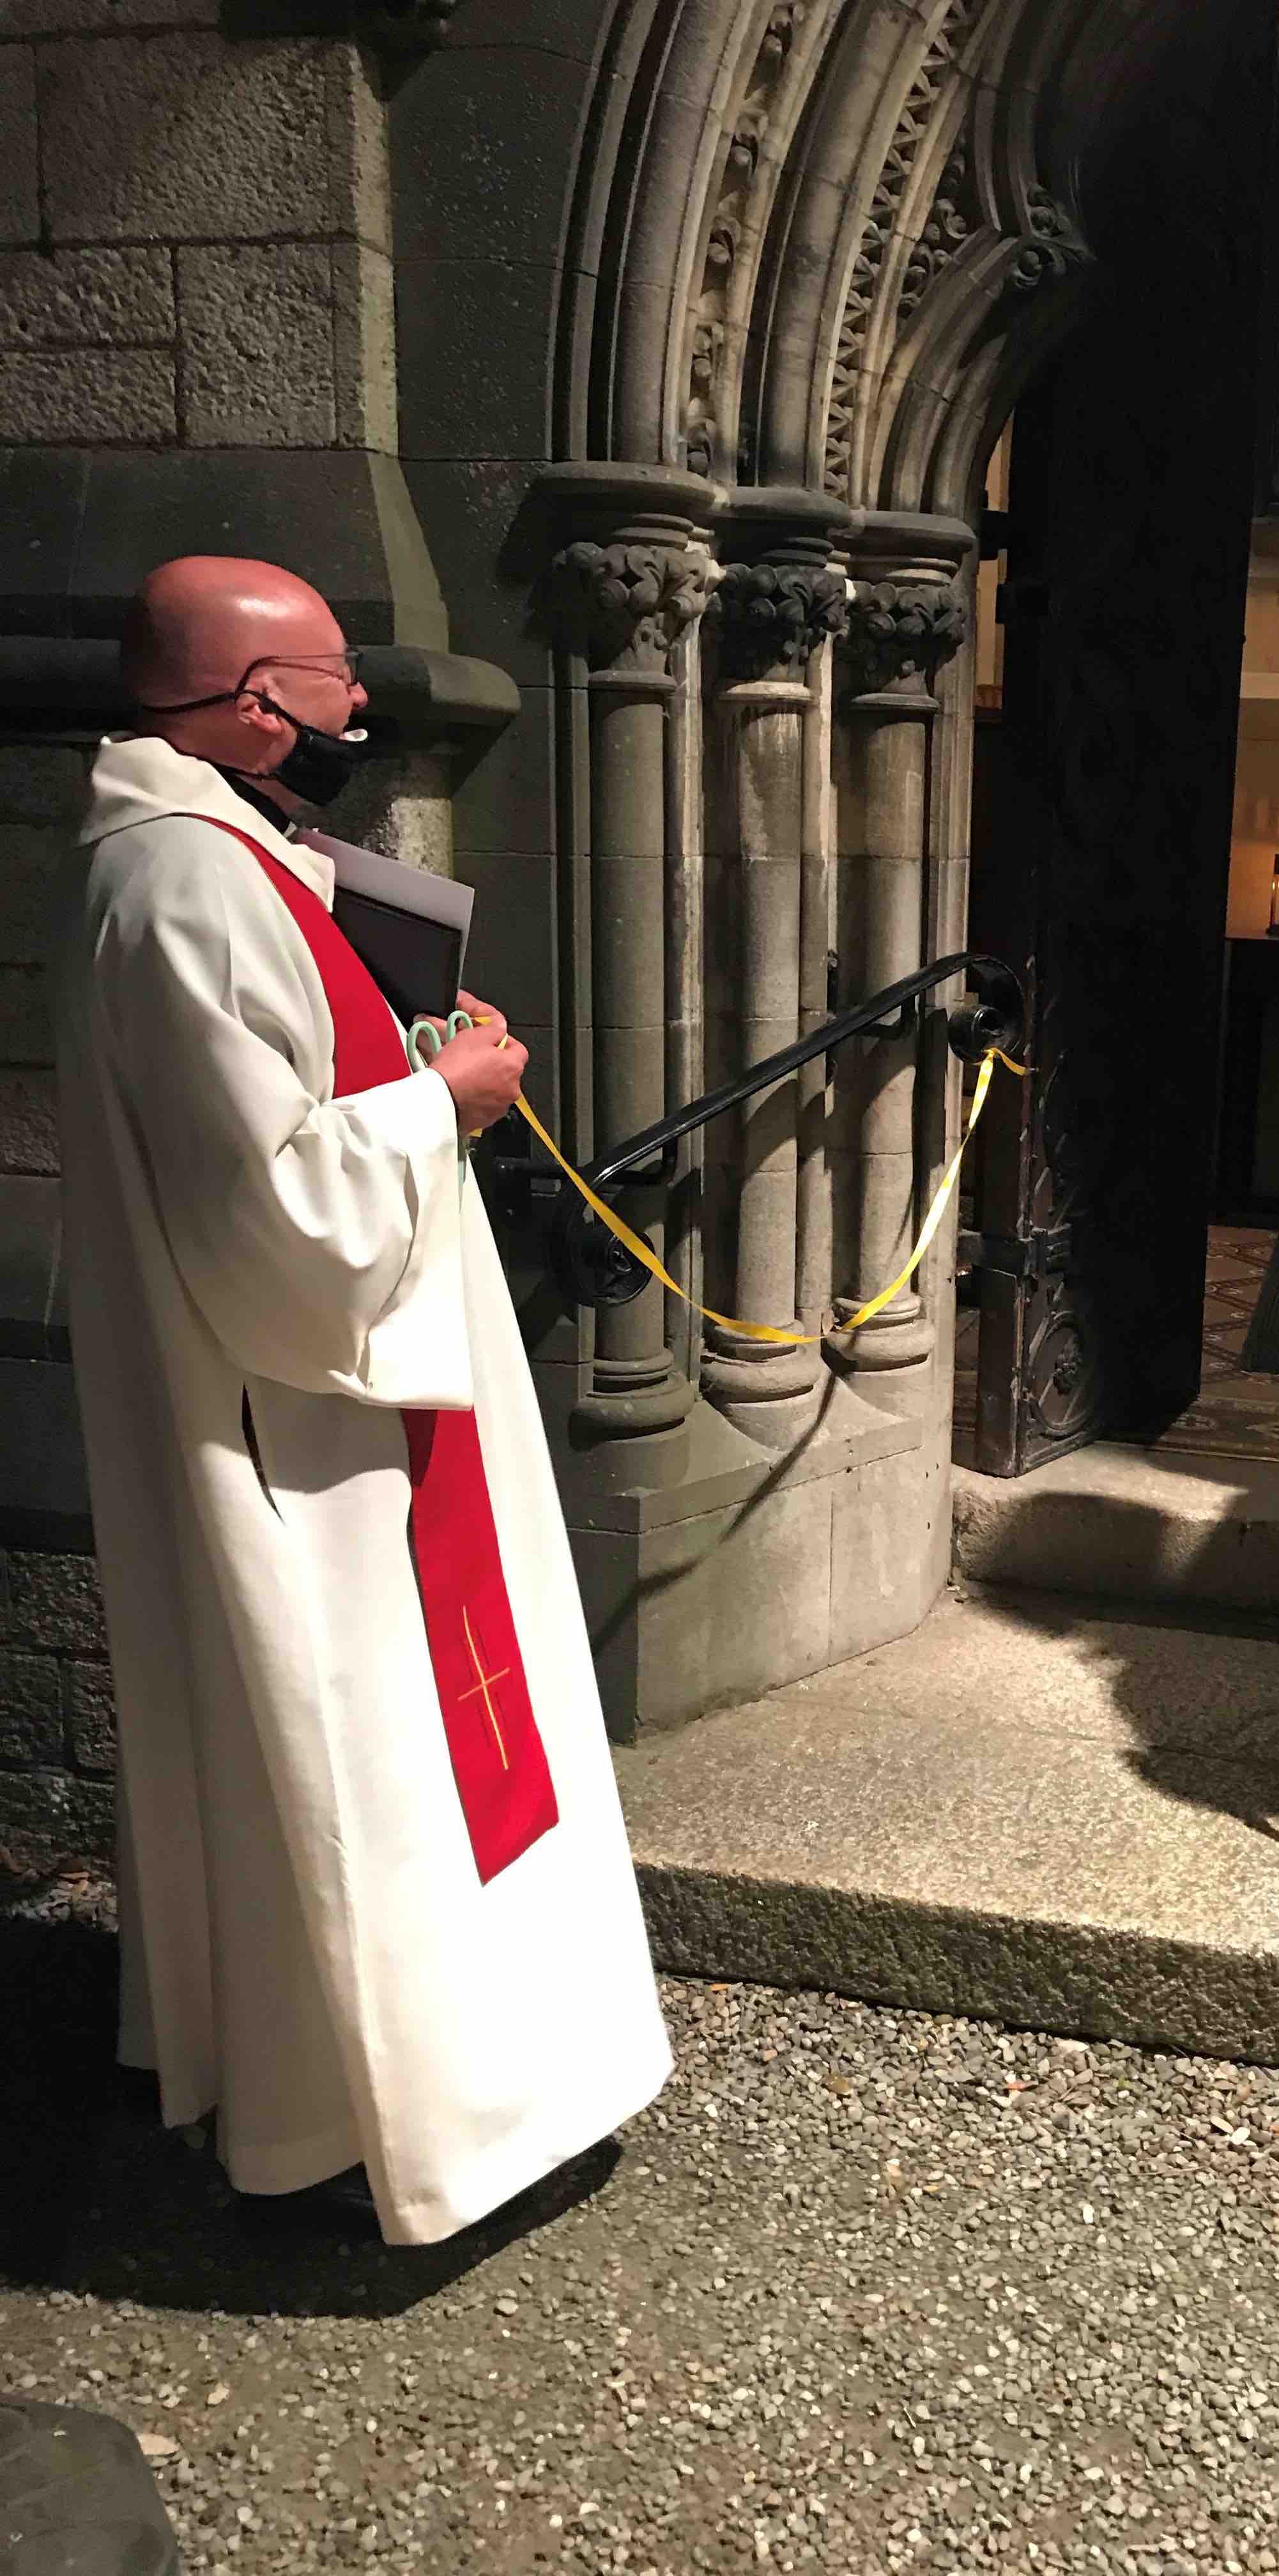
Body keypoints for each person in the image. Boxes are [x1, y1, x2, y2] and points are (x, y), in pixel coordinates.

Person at [55, 556, 671, 2243]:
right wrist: (447, 1101)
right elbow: (276, 1218)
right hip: (310, 1433)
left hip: (356, 1399)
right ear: (257, 705)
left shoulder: (233, 856)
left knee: (397, 1758)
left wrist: (410, 1052)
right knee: (360, 1772)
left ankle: (443, 2085)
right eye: (334, 679)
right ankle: (372, 2119)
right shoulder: (187, 889)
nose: (358, 709)